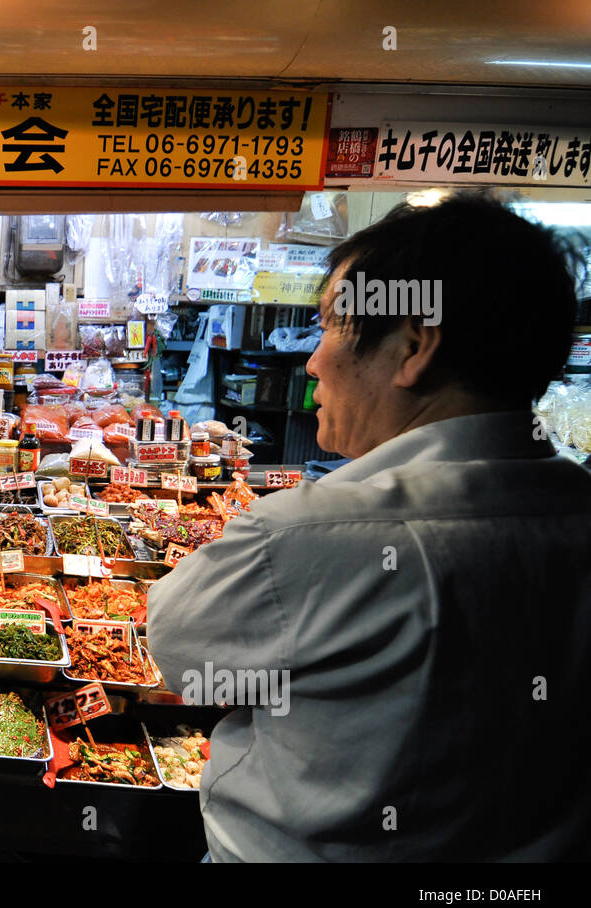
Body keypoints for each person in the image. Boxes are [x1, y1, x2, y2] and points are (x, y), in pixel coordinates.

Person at [148, 192, 591, 862]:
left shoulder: (316, 532)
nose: (313, 360)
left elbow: (178, 648)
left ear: (414, 346)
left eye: (330, 324)